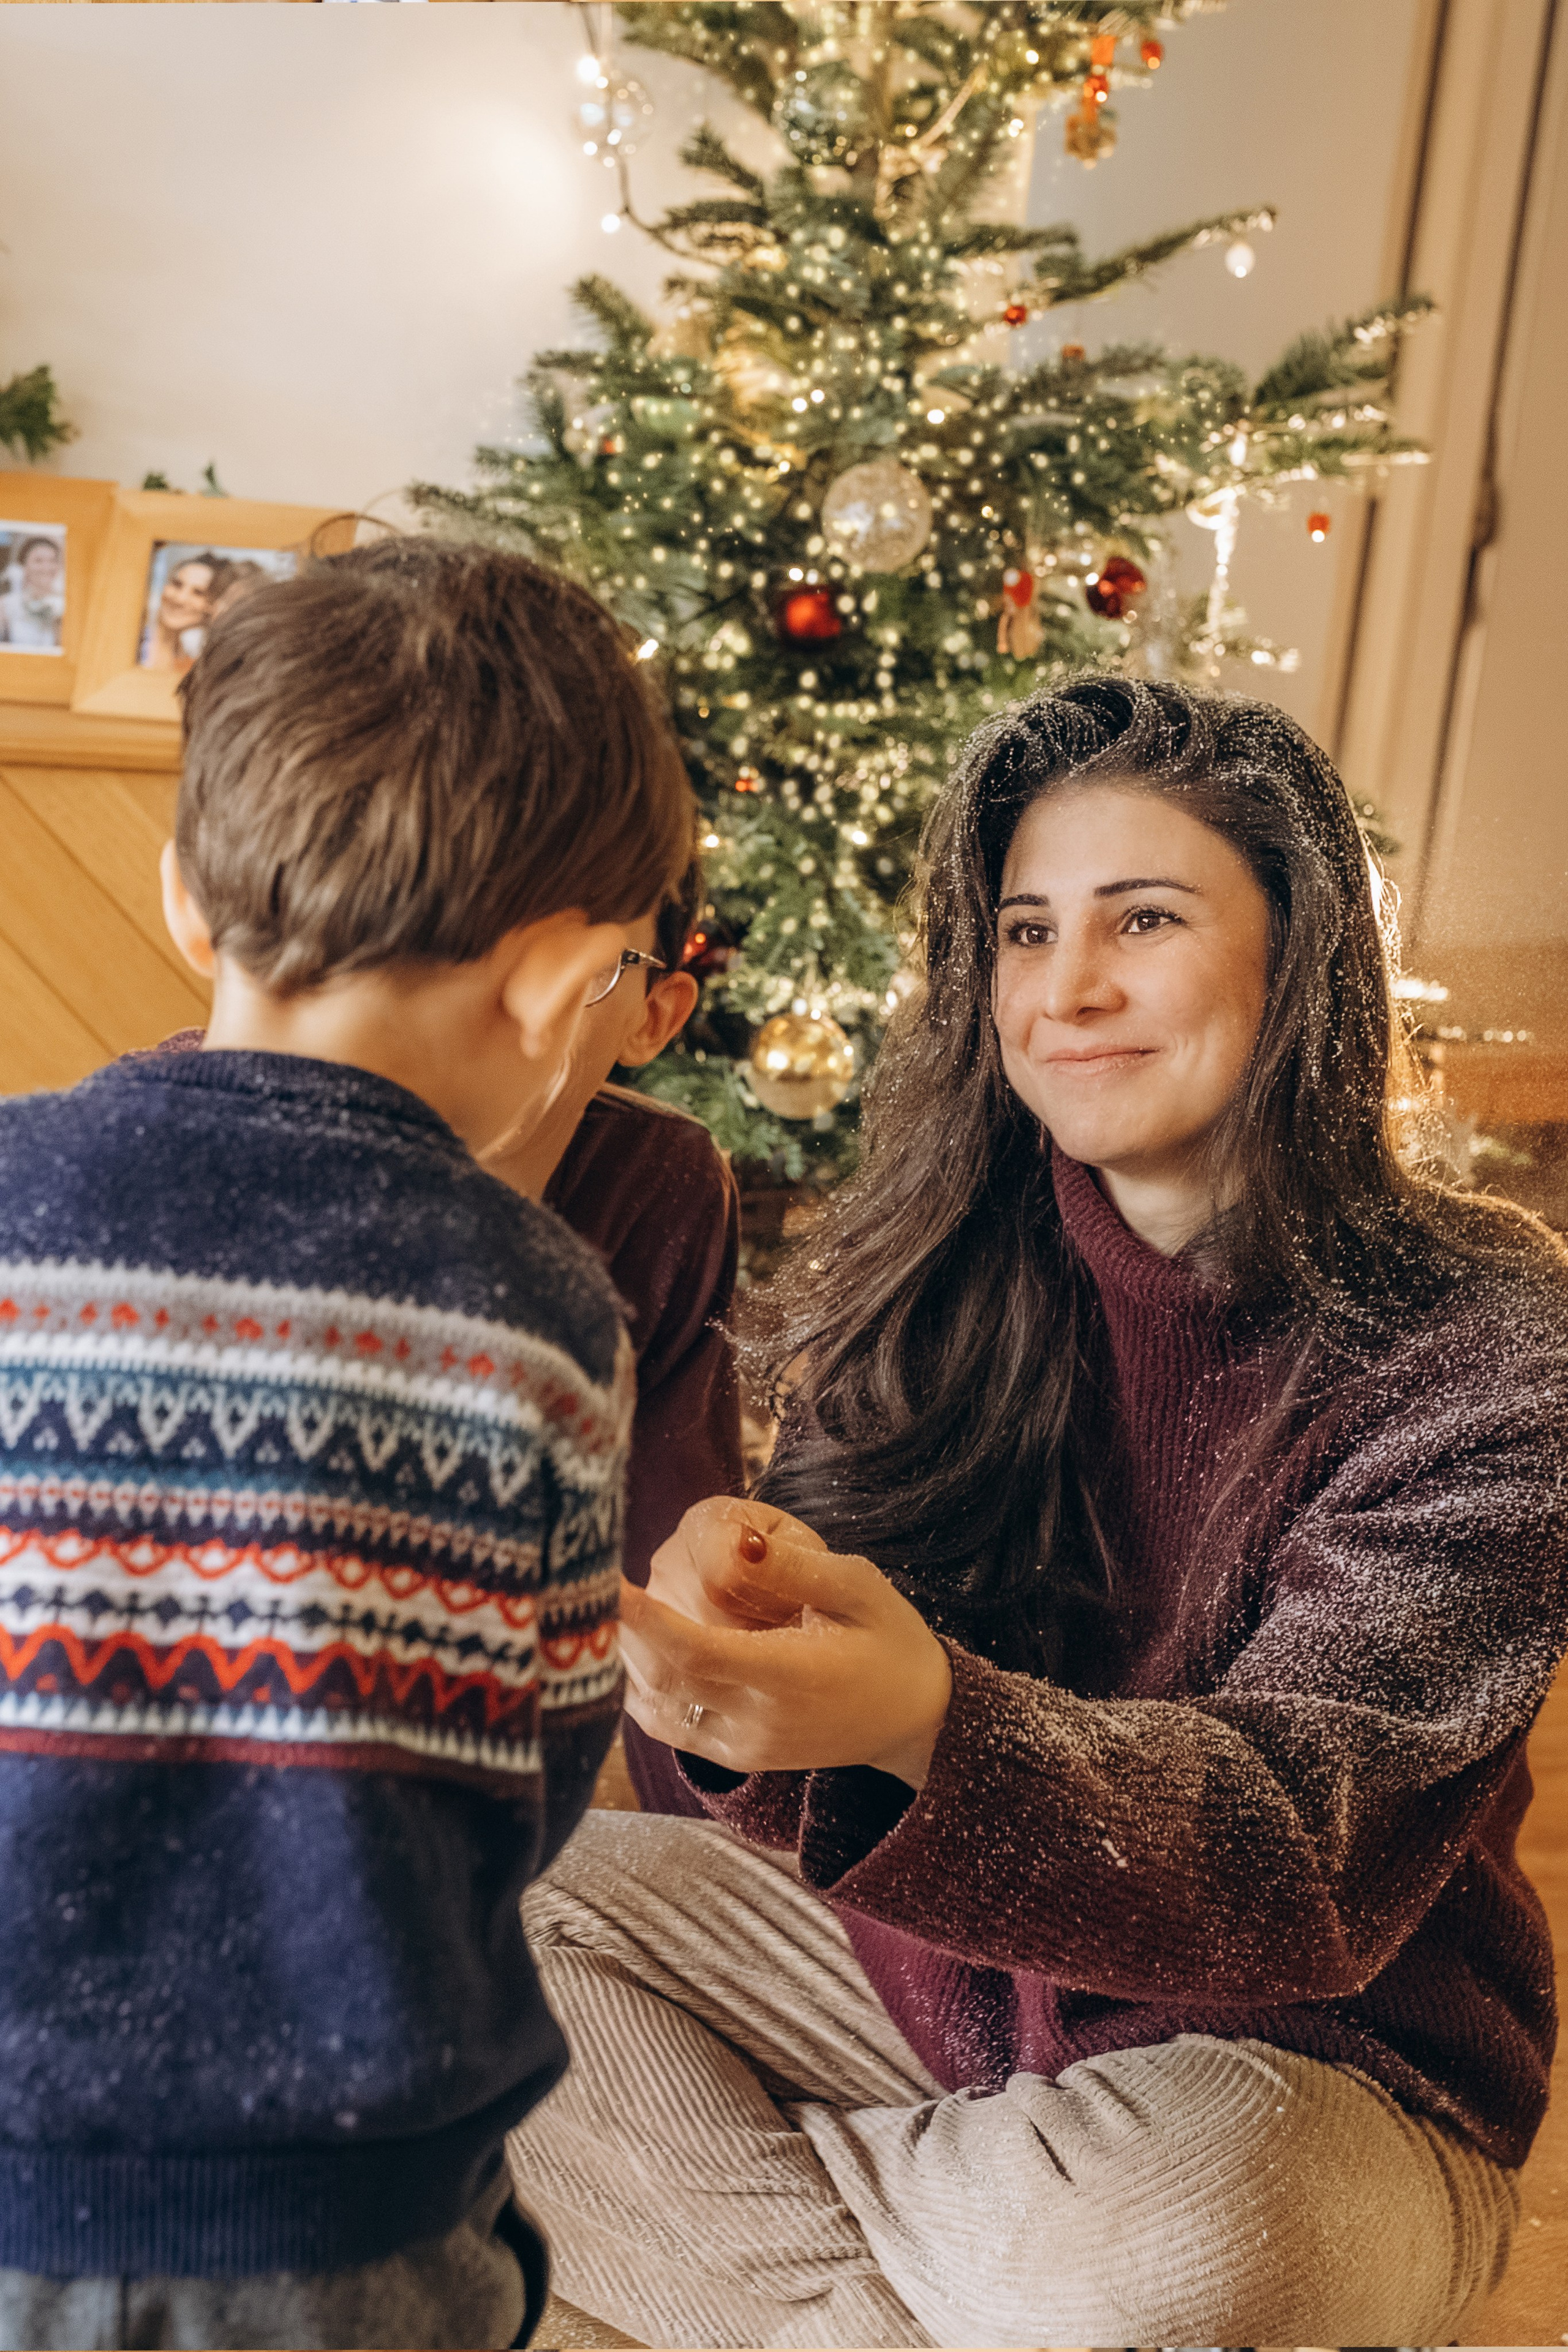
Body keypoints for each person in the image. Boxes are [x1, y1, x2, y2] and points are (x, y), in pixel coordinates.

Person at [506, 676, 1568, 2350]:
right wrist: (736, 1688)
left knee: (1186, 2232)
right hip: (927, 2002)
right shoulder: (935, 1284)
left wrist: (925, 1717)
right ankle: (938, 2280)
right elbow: (729, 1821)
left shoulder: (1487, 1325)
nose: (1067, 988)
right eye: (1022, 932)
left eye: (1142, 919)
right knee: (471, 1913)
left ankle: (793, 2254)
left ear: (1300, 958)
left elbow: (1308, 1860)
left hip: (1302, 2070)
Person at [0, 537, 692, 2351]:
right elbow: (532, 1765)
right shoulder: (533, 1308)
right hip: (339, 2229)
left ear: (178, 896)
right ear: (561, 981)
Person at [0, 532, 66, 651]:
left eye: (53, 561)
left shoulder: (65, 606)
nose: (47, 567)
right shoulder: (7, 604)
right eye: (38, 561)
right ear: (24, 566)